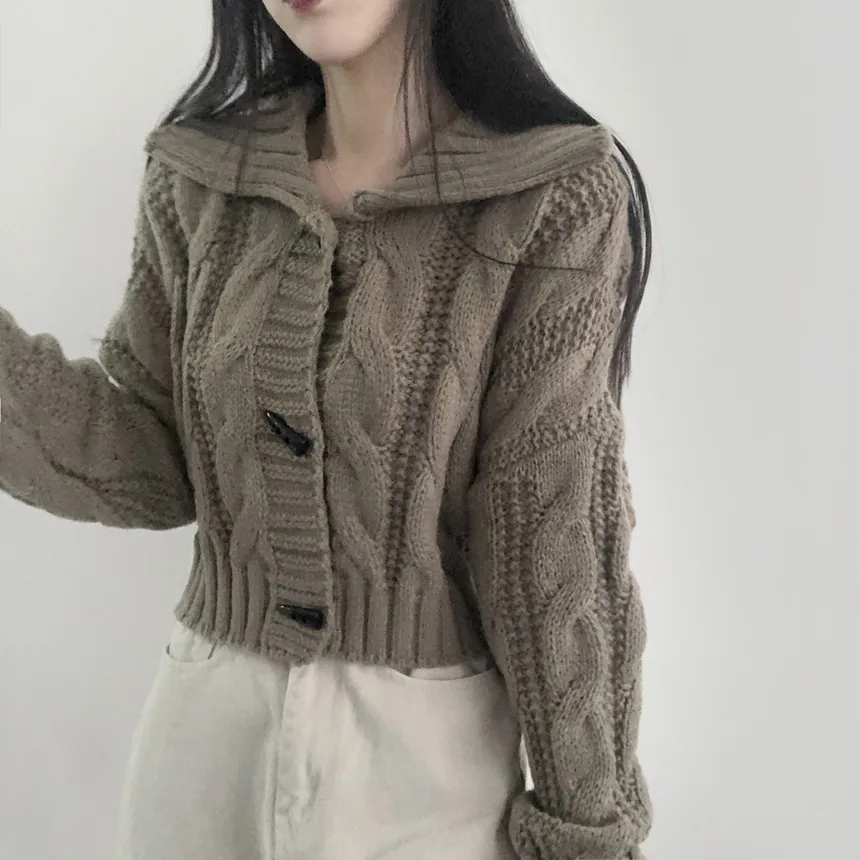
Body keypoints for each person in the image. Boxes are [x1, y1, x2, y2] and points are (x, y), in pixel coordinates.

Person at [0, 0, 655, 857]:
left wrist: (587, 829)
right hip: (203, 749)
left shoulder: (551, 196)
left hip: (427, 769)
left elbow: (549, 534)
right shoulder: (199, 175)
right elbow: (155, 459)